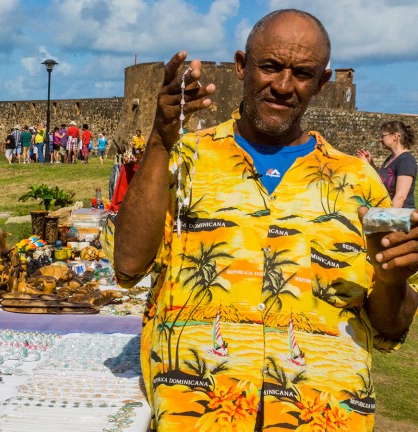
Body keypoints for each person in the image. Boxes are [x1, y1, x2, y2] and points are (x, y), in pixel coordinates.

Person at [112, 9, 418, 431]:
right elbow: (127, 265)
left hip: (322, 418)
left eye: (302, 73)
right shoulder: (187, 159)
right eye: (270, 67)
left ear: (322, 83)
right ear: (242, 66)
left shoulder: (357, 182)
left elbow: (391, 328)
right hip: (197, 414)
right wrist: (161, 140)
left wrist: (390, 279)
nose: (283, 85)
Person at [357, 121, 417, 208]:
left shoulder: (406, 160)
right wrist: (370, 164)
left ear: (395, 137)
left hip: (399, 214)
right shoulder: (391, 158)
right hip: (386, 211)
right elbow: (381, 181)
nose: (380, 139)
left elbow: (400, 197)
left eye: (383, 136)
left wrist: (385, 218)